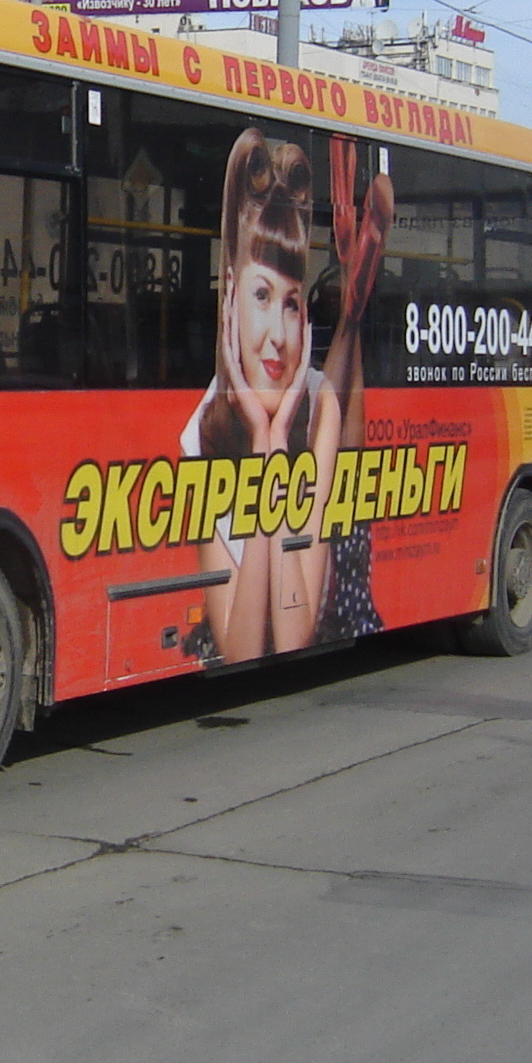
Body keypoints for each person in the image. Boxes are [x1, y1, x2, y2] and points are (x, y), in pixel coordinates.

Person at [183, 128, 392, 662]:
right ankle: (352, 304)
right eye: (261, 295)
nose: (279, 332)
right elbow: (242, 649)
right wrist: (263, 437)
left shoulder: (319, 406)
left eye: (294, 303)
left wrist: (277, 435)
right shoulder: (201, 432)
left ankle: (352, 306)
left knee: (330, 400)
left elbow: (295, 636)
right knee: (333, 398)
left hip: (330, 602)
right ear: (229, 300)